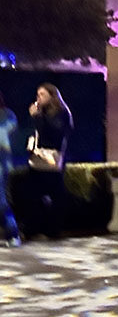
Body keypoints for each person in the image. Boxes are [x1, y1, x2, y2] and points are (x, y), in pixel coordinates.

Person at [26, 83, 73, 238]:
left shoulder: (62, 113)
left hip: (52, 160)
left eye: (42, 94)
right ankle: (35, 228)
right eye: (37, 94)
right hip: (38, 159)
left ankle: (53, 230)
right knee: (33, 195)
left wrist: (38, 117)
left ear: (52, 96)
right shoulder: (42, 112)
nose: (38, 98)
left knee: (57, 195)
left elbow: (54, 134)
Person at [0, 92, 20, 245]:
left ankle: (13, 235)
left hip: (2, 164)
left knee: (1, 200)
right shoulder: (8, 115)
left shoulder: (7, 115)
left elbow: (7, 138)